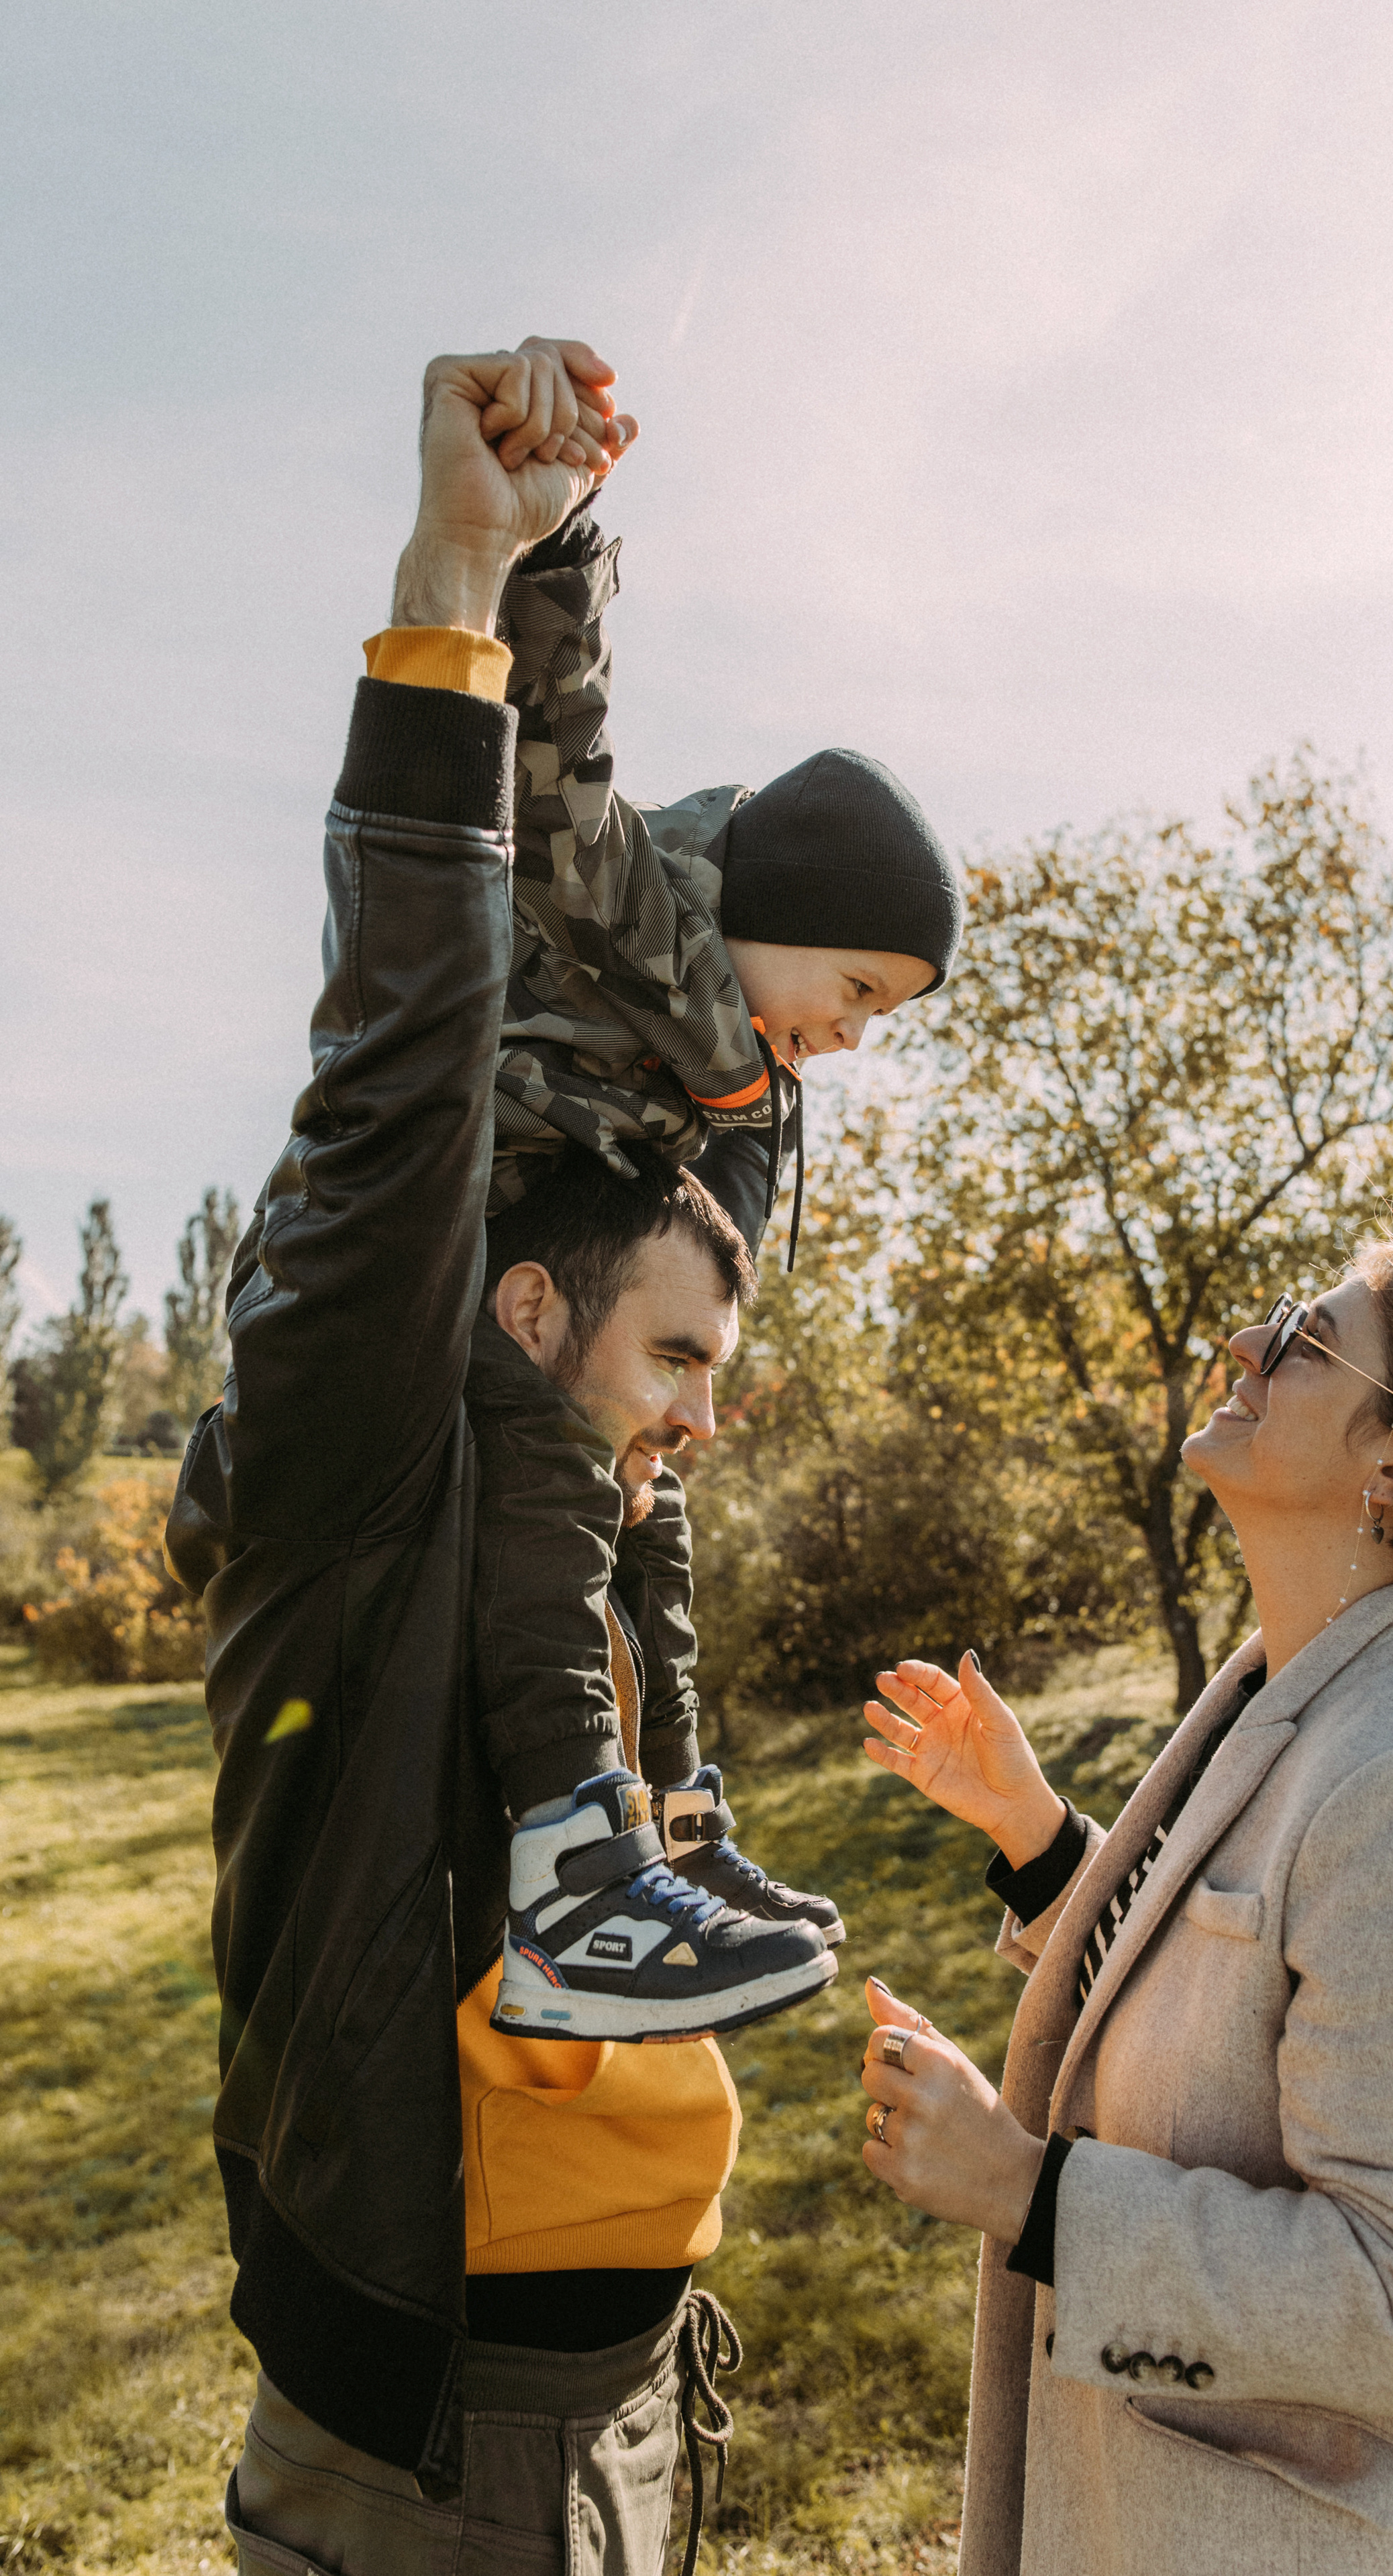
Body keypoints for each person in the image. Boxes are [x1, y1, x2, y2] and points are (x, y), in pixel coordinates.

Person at [166, 337, 788, 2574]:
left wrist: (573, 575)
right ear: (522, 1313)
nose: (710, 1413)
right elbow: (404, 1051)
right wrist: (458, 575)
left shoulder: (604, 1498)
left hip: (623, 2410)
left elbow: (720, 1145)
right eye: (682, 1357)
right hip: (436, 2457)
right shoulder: (370, 1475)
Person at [855, 1222, 1393, 2575]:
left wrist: (1024, 2192)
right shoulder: (1310, 1678)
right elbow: (1256, 1978)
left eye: (1301, 1340)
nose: (1241, 1345)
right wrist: (1040, 1844)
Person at [458, 339, 964, 2044]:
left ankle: (671, 1829)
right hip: (461, 1277)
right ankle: (567, 1868)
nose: (856, 1033)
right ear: (781, 898)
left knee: (655, 1528)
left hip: (566, 1293)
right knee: (553, 1475)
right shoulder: (640, 922)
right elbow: (550, 750)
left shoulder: (731, 1076)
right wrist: (560, 534)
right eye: (864, 986)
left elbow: (713, 1254)